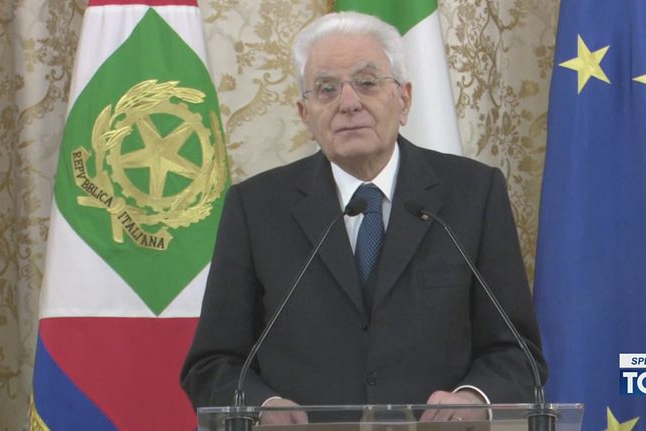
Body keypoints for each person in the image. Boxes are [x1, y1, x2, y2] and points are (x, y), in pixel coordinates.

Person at [180, 11, 546, 425]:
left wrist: (474, 398)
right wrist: (263, 407)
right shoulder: (256, 207)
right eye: (326, 89)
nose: (348, 103)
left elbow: (517, 354)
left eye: (367, 83)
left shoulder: (473, 194)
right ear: (305, 114)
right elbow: (213, 364)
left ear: (404, 99)